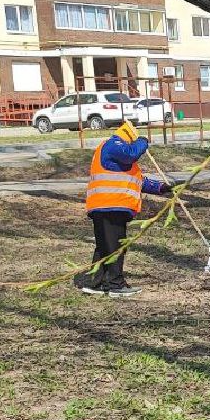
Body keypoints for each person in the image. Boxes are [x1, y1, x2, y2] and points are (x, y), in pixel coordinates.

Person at [76, 121, 171, 297]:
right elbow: (131, 154)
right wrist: (143, 141)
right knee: (116, 246)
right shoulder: (113, 145)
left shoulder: (120, 160)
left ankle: (96, 283)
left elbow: (140, 181)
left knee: (104, 246)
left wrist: (162, 188)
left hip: (105, 205)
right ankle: (115, 285)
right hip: (111, 204)